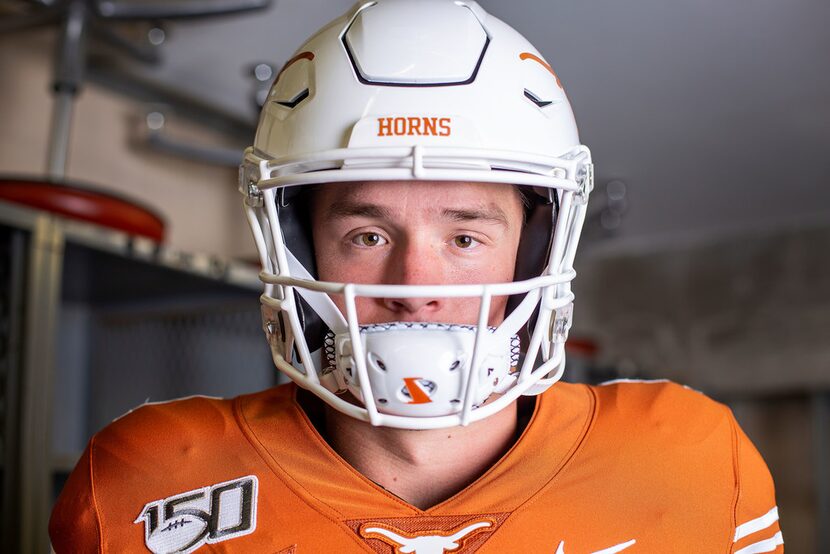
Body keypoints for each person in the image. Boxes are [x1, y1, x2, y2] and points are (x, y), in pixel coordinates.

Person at [50, 1, 784, 552]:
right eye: (367, 235)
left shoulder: (692, 459)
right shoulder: (144, 481)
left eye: (465, 236)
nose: (414, 283)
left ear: (535, 252)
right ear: (298, 250)